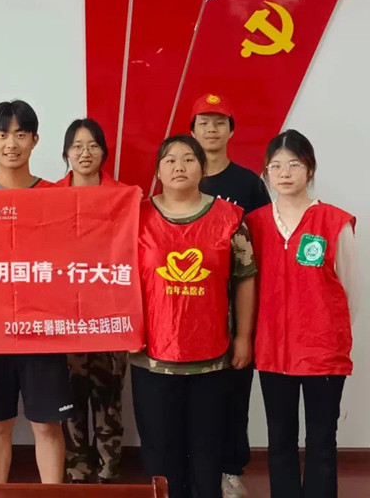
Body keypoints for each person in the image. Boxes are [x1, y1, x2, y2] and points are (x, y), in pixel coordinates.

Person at [131, 135, 256, 498]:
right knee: (161, 452)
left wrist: (243, 337)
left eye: (188, 159)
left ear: (203, 169)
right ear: (158, 171)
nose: (179, 167)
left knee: (207, 451)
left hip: (212, 358)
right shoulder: (136, 217)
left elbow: (245, 279)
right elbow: (118, 278)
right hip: (152, 358)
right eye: (170, 160)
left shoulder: (230, 218)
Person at [0, 100, 72, 485]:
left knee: (47, 427)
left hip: (44, 330)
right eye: (3, 135)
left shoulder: (58, 197)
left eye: (21, 134)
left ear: (35, 140)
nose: (12, 144)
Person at [247, 130, 357, 498]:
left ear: (309, 169)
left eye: (293, 164)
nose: (284, 173)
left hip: (322, 350)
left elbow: (350, 291)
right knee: (280, 437)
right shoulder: (255, 223)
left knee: (322, 438)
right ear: (266, 172)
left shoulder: (334, 221)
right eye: (275, 166)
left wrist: (329, 332)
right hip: (273, 349)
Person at [189, 92, 270, 498]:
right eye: (204, 122)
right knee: (195, 399)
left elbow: (263, 246)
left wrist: (248, 328)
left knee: (234, 394)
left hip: (236, 305)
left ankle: (230, 470)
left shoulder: (248, 183)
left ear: (231, 131)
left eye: (219, 122)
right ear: (192, 131)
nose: (211, 129)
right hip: (188, 302)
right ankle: (193, 469)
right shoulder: (183, 177)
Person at [54, 119, 128, 484]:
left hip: (110, 313)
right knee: (70, 397)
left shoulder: (125, 197)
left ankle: (109, 469)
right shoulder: (49, 197)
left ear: (104, 152)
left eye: (93, 145)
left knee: (108, 395)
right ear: (66, 153)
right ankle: (77, 467)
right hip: (64, 315)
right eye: (77, 146)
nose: (85, 153)